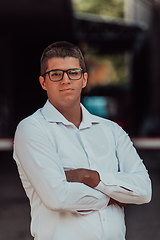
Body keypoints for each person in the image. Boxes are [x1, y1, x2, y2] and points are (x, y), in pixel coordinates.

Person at [13, 41, 152, 240]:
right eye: (55, 74)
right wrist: (115, 194)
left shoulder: (111, 130)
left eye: (73, 73)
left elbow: (144, 191)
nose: (65, 80)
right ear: (43, 82)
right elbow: (58, 198)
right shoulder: (32, 129)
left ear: (84, 79)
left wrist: (90, 177)